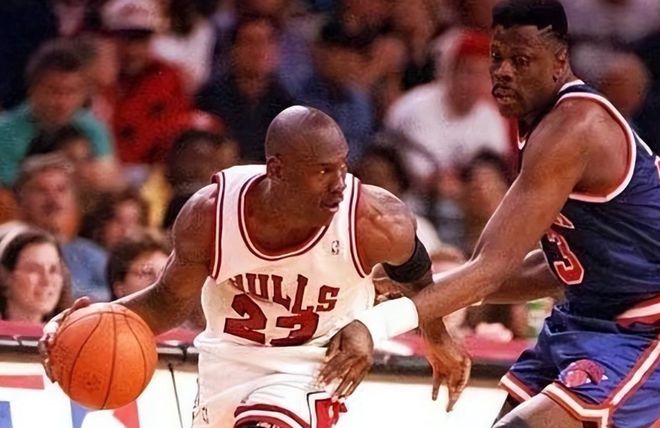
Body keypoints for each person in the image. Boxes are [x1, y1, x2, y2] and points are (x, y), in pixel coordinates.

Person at [320, 1, 660, 427]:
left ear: (560, 61)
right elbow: (556, 268)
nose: (503, 71)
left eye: (521, 60)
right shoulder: (542, 121)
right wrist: (426, 289)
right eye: (497, 57)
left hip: (642, 323)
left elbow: (488, 268)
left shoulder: (574, 126)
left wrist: (377, 324)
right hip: (587, 316)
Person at [41, 105, 468, 428]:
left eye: (342, 167)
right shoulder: (211, 214)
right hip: (225, 367)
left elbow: (419, 280)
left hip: (312, 369)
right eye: (323, 172)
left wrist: (437, 337)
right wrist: (81, 322)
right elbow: (168, 302)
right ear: (277, 170)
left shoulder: (374, 220)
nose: (339, 184)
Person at [0, 228, 73, 324]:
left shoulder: (73, 331)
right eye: (33, 269)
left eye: (53, 270)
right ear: (5, 277)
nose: (47, 281)